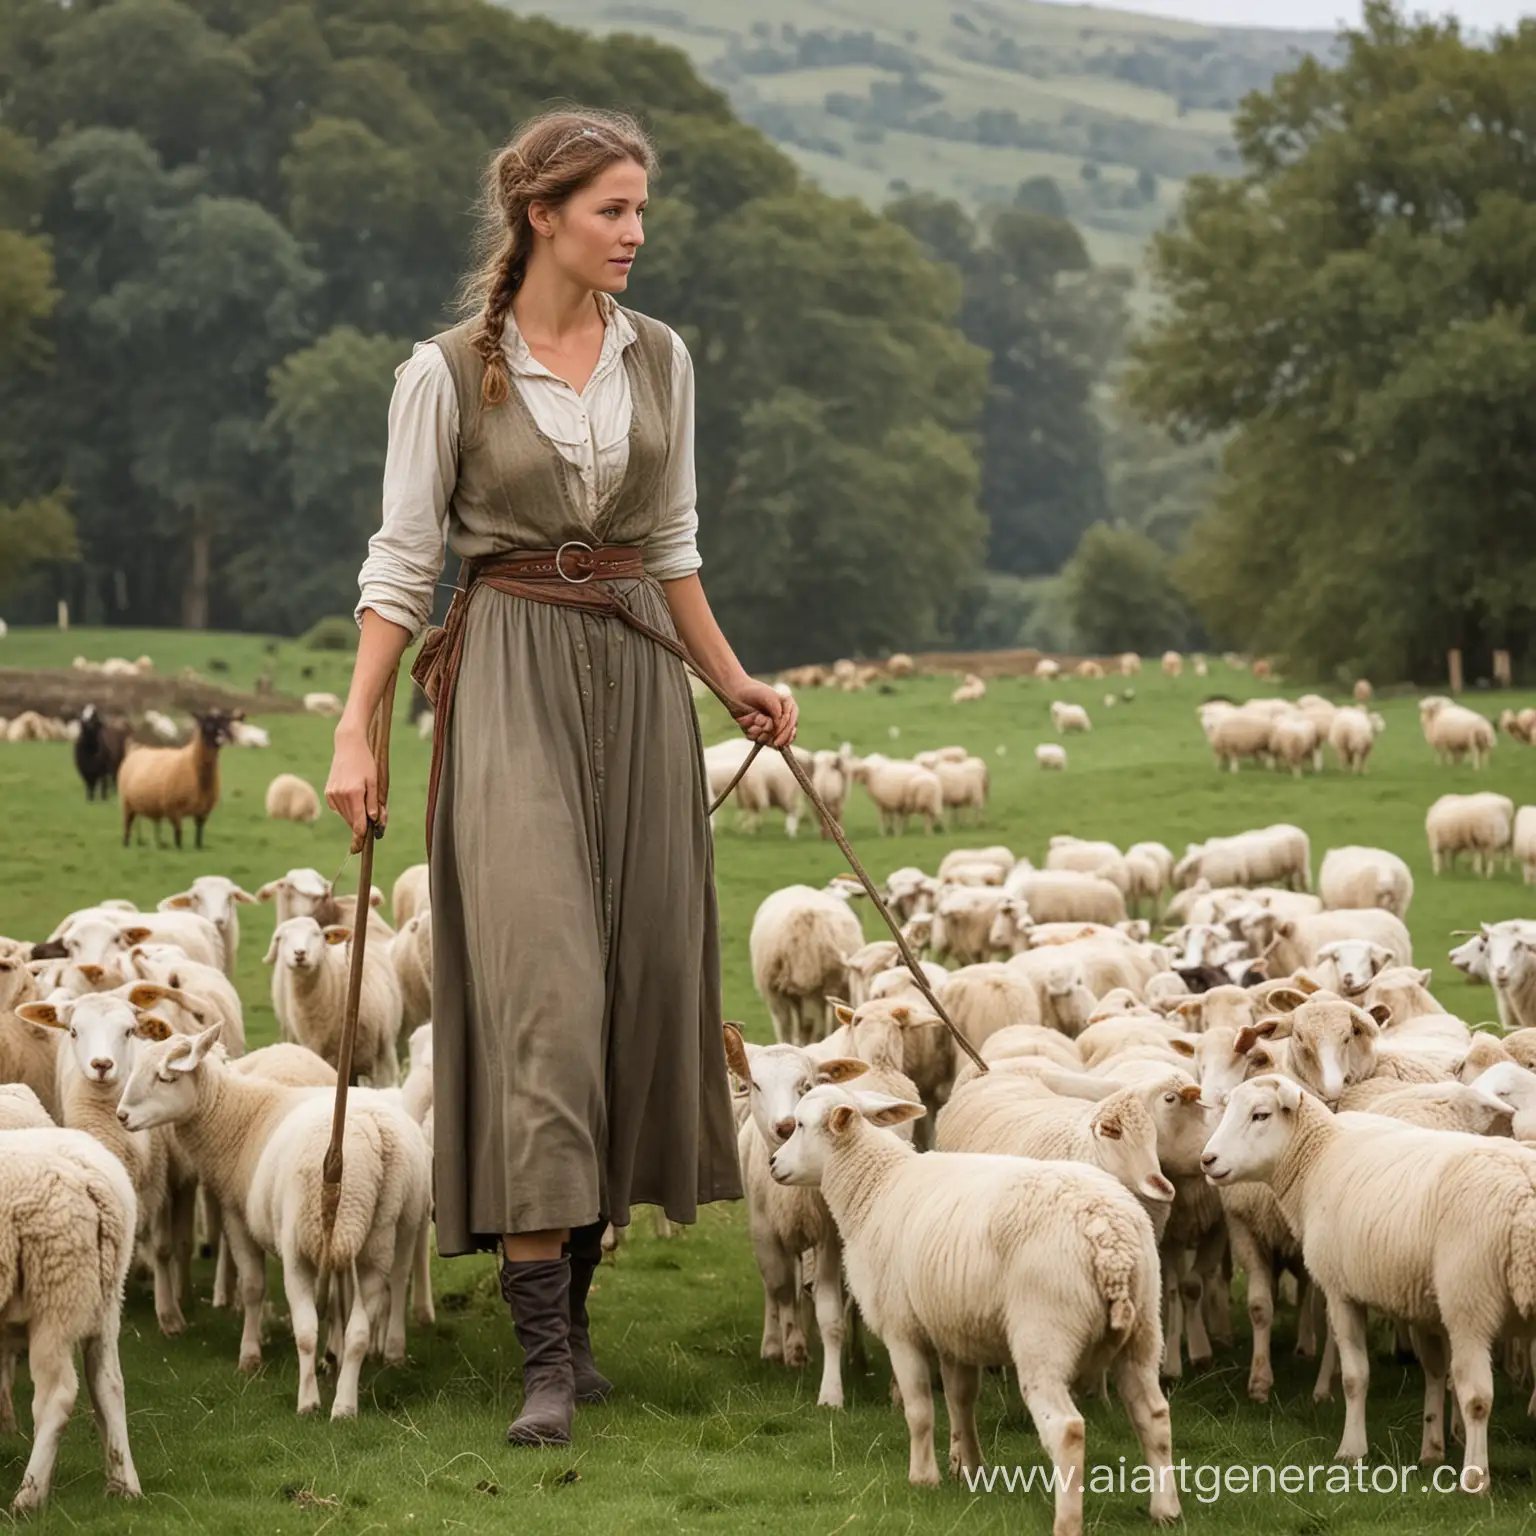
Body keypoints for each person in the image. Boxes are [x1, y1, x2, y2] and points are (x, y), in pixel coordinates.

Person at [325, 107, 796, 1449]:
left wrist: (733, 682)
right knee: (542, 996)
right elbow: (401, 562)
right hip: (510, 672)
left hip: (641, 674)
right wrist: (357, 728)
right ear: (542, 216)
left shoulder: (663, 359)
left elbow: (674, 539)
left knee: (638, 984)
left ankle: (579, 1325)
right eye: (614, 211)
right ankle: (539, 1360)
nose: (638, 235)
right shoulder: (447, 372)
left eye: (645, 212)